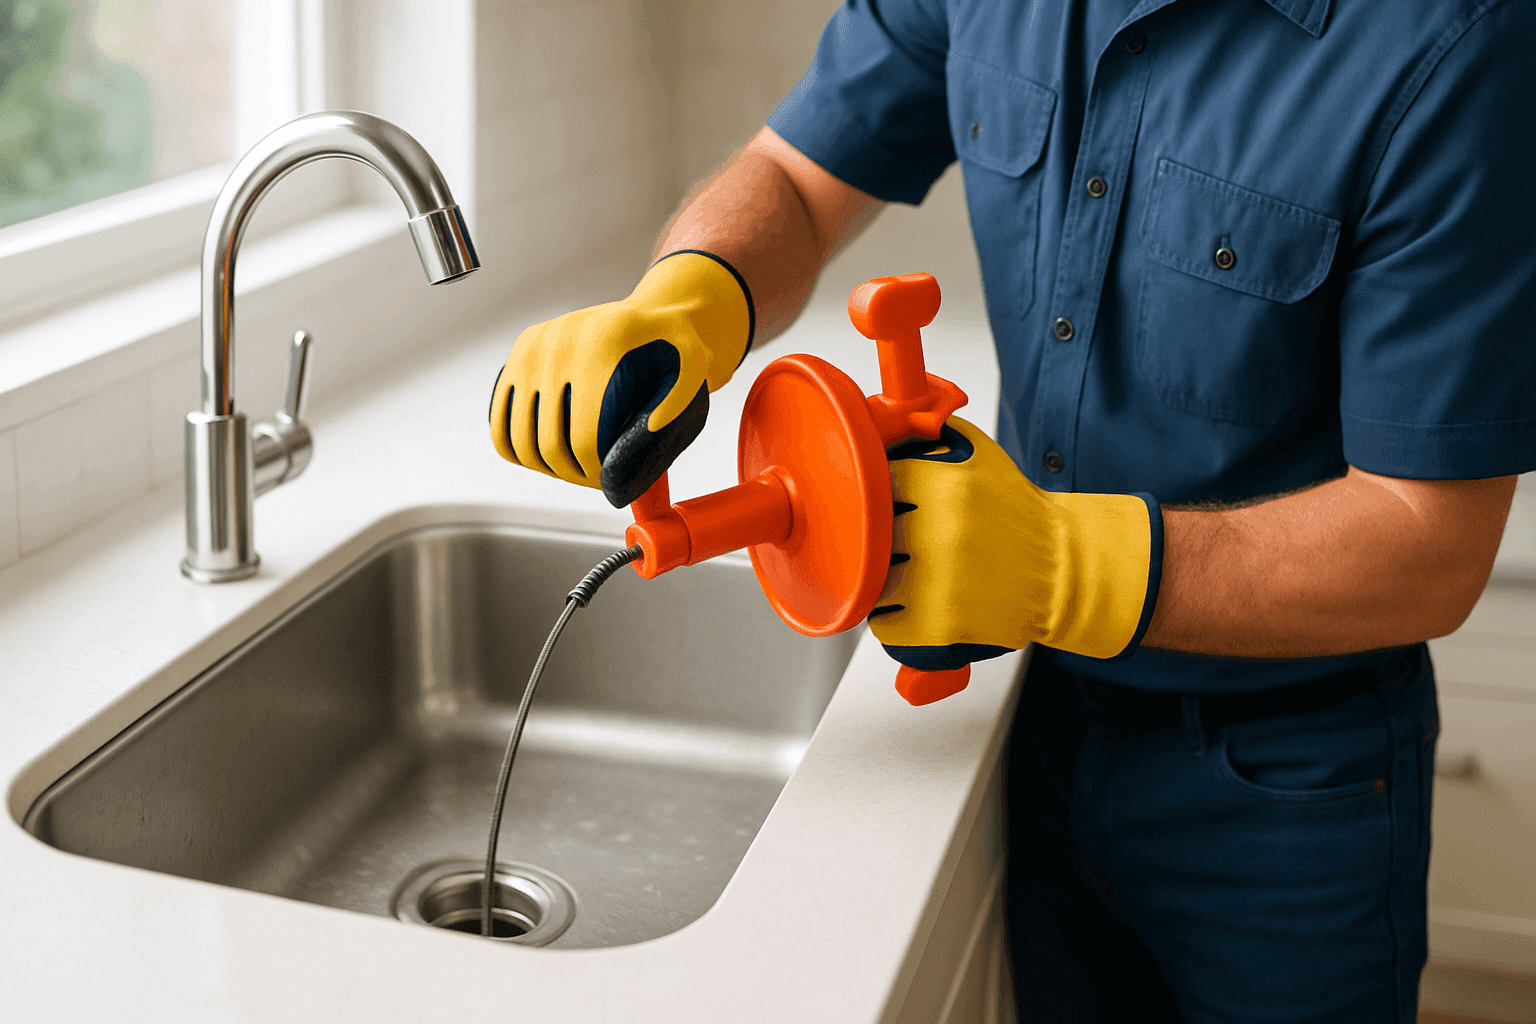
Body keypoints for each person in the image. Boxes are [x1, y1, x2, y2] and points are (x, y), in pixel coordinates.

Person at [487, 1, 1536, 1020]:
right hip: (1034, 717)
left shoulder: (1455, 39)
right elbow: (796, 180)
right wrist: (690, 290)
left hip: (1287, 790)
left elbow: (1430, 542)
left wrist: (1060, 567)